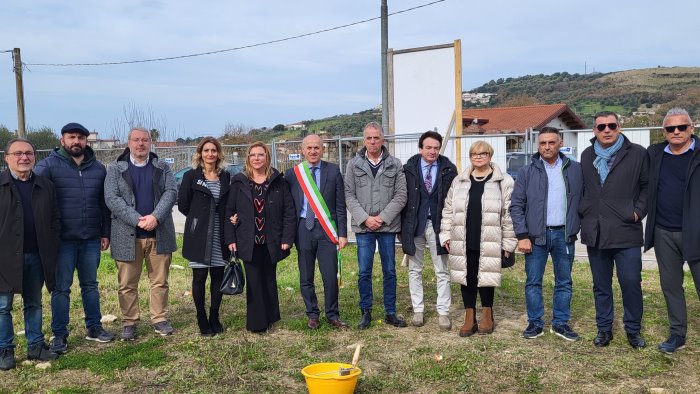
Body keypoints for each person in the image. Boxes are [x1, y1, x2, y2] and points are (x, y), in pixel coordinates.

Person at [34, 122, 115, 354]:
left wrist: (105, 232)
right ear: (62, 140)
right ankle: (59, 334)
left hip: (90, 238)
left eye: (80, 137)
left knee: (90, 285)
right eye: (71, 137)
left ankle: (94, 327)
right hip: (62, 242)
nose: (76, 141)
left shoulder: (99, 169)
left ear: (86, 141)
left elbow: (104, 205)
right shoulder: (47, 167)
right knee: (61, 288)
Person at [579, 111, 648, 348]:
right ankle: (604, 329)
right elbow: (586, 190)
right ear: (594, 130)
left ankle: (633, 330)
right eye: (601, 127)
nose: (606, 130)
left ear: (619, 127)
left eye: (611, 125)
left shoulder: (637, 153)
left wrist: (637, 211)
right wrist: (584, 211)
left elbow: (647, 186)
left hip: (626, 230)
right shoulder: (587, 155)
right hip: (596, 231)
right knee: (601, 285)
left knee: (630, 282)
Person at [510, 127, 583, 341]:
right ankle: (535, 323)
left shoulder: (575, 169)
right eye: (543, 143)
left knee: (564, 281)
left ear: (560, 143)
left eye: (552, 142)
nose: (547, 146)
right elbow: (516, 205)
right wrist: (522, 235)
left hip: (564, 235)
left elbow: (584, 200)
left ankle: (560, 323)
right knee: (533, 281)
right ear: (537, 145)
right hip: (536, 236)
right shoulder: (526, 171)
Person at [104, 127, 177, 341]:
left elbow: (171, 192)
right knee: (127, 284)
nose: (140, 144)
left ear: (150, 143)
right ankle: (130, 322)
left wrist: (155, 217)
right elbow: (112, 198)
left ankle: (159, 318)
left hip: (158, 233)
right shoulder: (115, 169)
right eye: (136, 140)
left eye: (145, 140)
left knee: (160, 281)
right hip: (127, 235)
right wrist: (137, 219)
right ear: (129, 143)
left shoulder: (162, 167)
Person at [439, 141, 516, 337]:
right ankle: (469, 316)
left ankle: (488, 314)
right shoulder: (460, 181)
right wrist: (446, 234)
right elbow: (448, 209)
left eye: (482, 153)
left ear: (490, 156)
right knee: (467, 277)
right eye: (474, 154)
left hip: (490, 237)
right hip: (463, 236)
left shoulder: (503, 181)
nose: (478, 157)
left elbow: (509, 214)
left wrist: (508, 242)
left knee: (486, 276)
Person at [0, 139, 60, 370]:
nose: (23, 158)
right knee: (3, 306)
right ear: (7, 158)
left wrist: (52, 245)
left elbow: (55, 219)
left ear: (35, 157)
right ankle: (5, 350)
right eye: (17, 154)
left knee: (34, 303)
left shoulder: (45, 186)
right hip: (4, 258)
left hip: (36, 255)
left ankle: (35, 346)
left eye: (28, 153)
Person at [645, 107, 700, 354]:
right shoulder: (654, 154)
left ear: (692, 128)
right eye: (670, 128)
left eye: (682, 127)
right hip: (664, 231)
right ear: (664, 132)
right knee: (671, 286)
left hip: (697, 231)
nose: (676, 132)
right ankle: (677, 334)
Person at [224, 141, 296, 333]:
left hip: (271, 239)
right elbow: (229, 211)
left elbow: (289, 211)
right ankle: (257, 323)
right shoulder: (239, 182)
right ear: (248, 159)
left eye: (261, 155)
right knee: (254, 281)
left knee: (269, 278)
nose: (257, 158)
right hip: (248, 240)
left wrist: (287, 238)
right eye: (253, 155)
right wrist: (231, 238)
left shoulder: (278, 181)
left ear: (267, 157)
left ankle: (272, 316)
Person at [345, 122, 407, 329]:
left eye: (376, 138)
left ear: (383, 140)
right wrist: (365, 218)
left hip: (387, 227)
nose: (373, 141)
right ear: (364, 141)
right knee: (364, 271)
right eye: (369, 138)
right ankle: (366, 312)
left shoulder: (395, 164)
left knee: (389, 270)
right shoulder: (353, 165)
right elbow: (349, 195)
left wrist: (381, 217)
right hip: (364, 228)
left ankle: (390, 312)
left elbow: (401, 195)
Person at [284, 135, 349, 330]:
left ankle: (332, 314)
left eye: (317, 148)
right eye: (309, 148)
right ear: (302, 150)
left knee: (330, 276)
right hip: (303, 228)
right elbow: (285, 206)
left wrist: (343, 233)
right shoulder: (293, 174)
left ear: (323, 150)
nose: (313, 151)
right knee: (306, 276)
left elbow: (340, 204)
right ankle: (312, 314)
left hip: (327, 230)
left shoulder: (333, 170)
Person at [399, 131, 457, 330]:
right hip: (414, 225)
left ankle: (443, 312)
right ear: (420, 148)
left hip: (439, 226)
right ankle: (418, 309)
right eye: (428, 147)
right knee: (415, 269)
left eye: (436, 148)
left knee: (442, 269)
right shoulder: (408, 169)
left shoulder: (449, 169)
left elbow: (453, 200)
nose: (432, 151)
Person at [178, 137, 231, 336]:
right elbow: (184, 205)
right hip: (199, 234)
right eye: (206, 150)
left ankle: (214, 316)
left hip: (220, 233)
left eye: (213, 150)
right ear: (200, 153)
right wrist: (197, 220)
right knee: (199, 276)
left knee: (218, 275)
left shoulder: (225, 176)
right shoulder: (191, 176)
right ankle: (201, 317)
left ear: (219, 153)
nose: (210, 154)